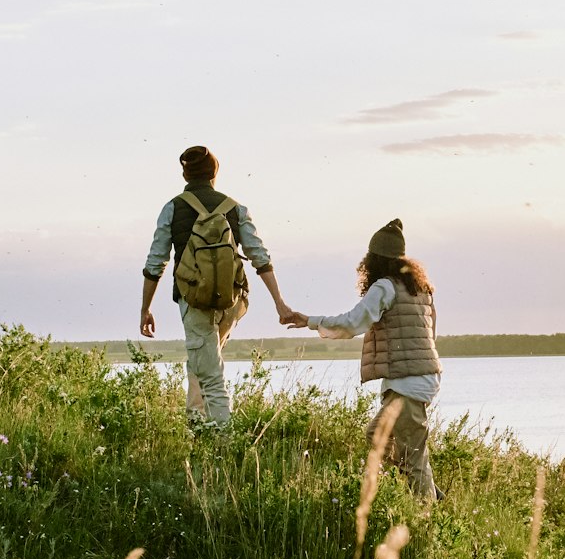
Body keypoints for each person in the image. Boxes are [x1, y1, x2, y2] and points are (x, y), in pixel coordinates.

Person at [140, 145, 295, 428]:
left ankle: (222, 445)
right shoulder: (235, 208)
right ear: (215, 172)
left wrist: (145, 309)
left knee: (210, 373)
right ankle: (196, 428)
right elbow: (260, 257)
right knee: (201, 362)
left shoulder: (173, 207)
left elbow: (155, 263)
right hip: (232, 300)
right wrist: (280, 303)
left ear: (185, 175)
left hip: (194, 300)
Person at [285, 219, 440, 500]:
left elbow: (352, 323)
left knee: (412, 456)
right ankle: (428, 489)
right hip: (422, 379)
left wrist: (310, 321)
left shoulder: (384, 287)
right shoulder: (421, 290)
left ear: (373, 259)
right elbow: (431, 333)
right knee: (377, 437)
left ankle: (427, 510)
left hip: (408, 384)